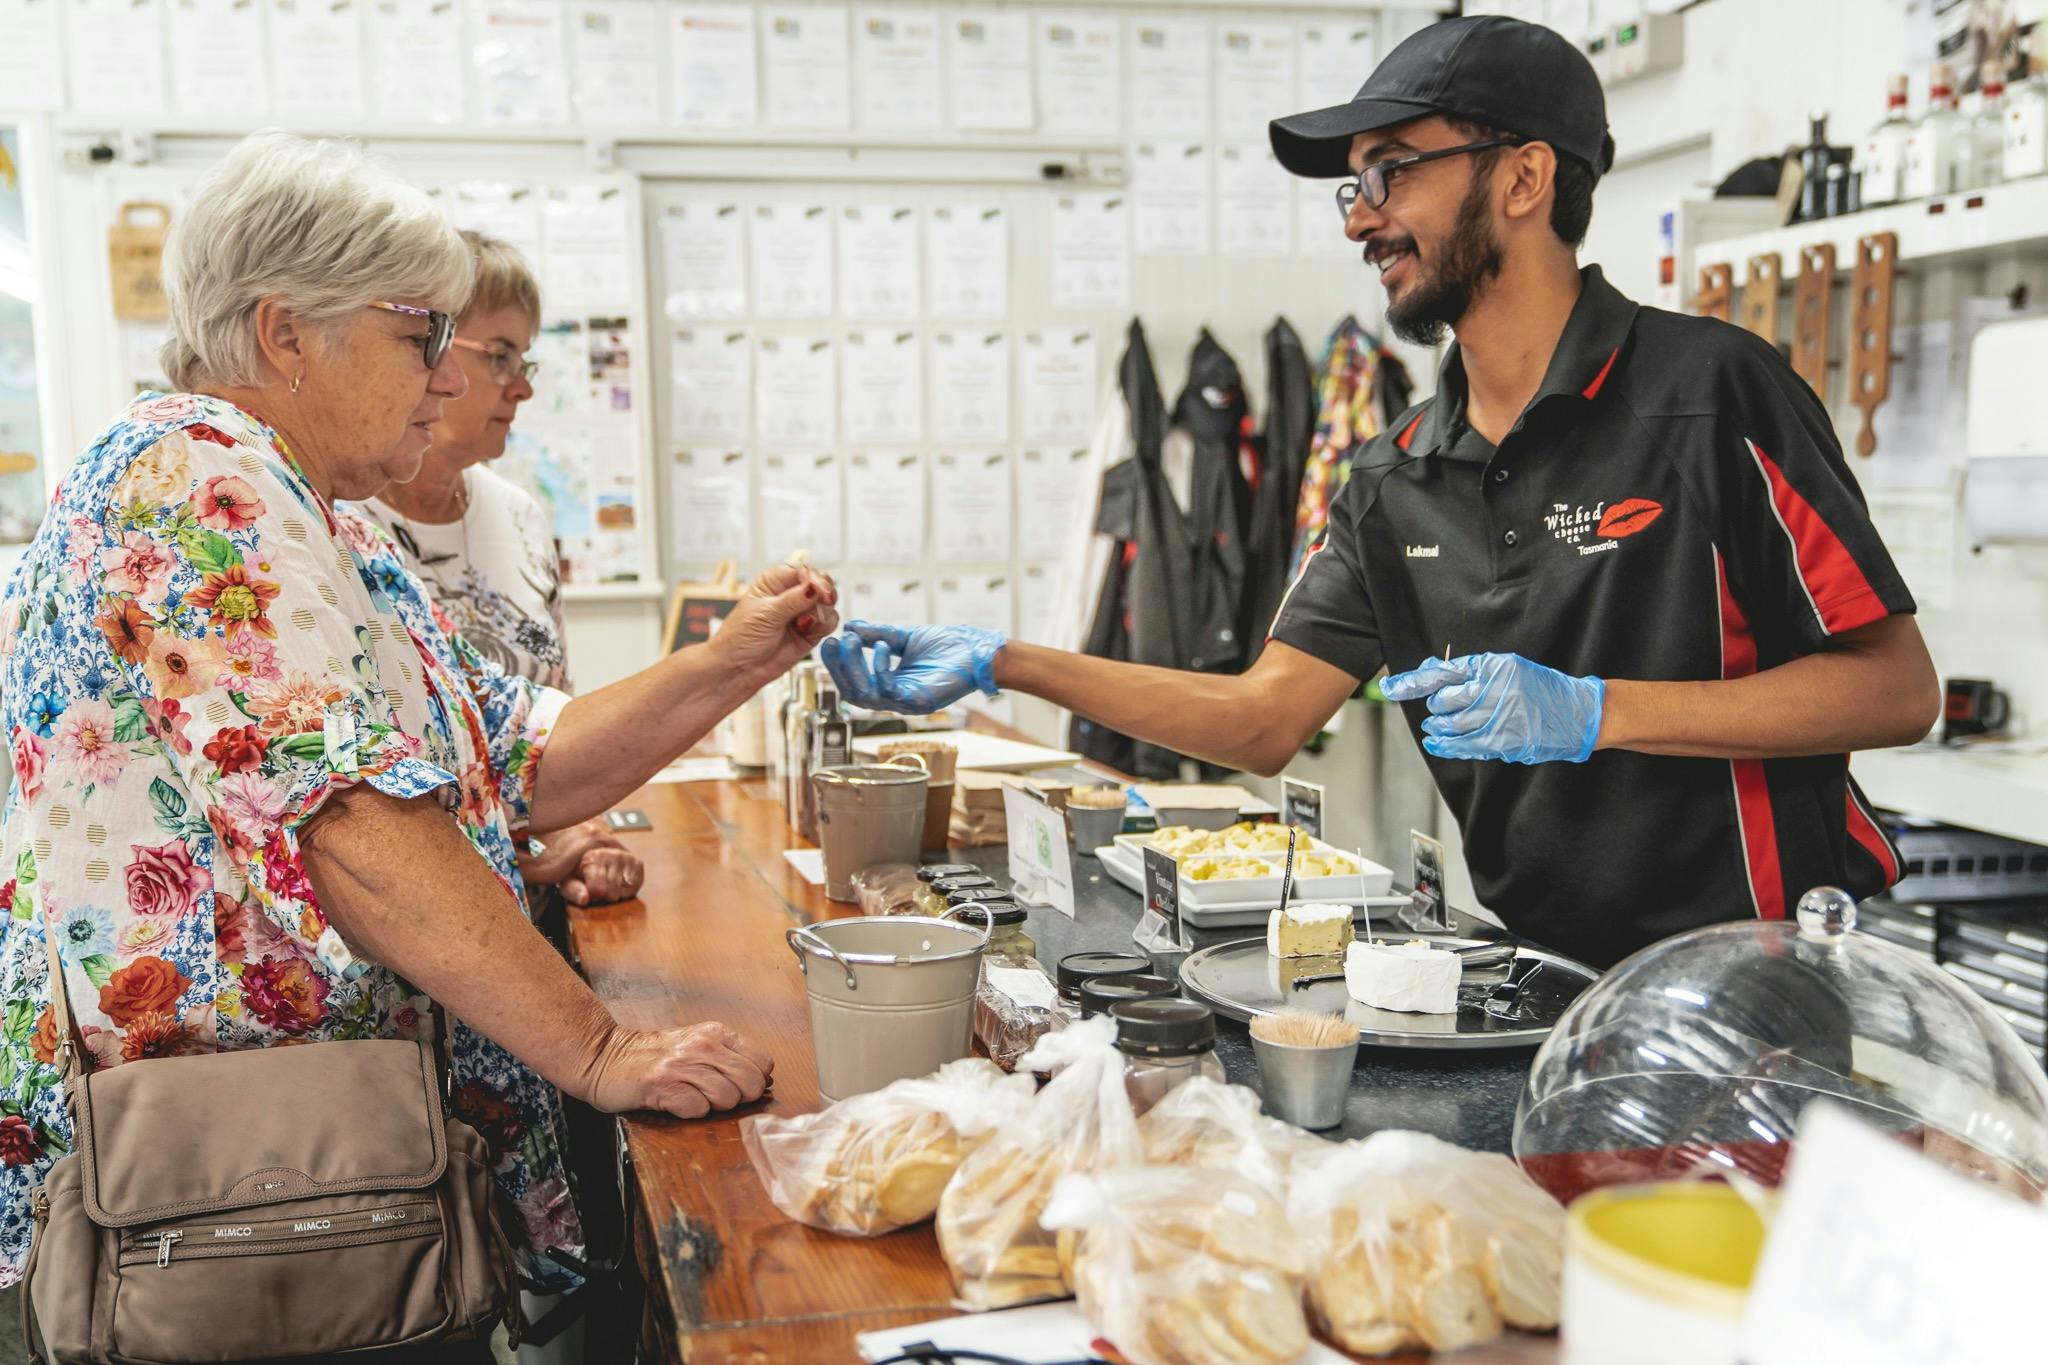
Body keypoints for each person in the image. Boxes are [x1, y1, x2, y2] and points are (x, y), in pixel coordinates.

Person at [822, 15, 1941, 971]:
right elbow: (1259, 720)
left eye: (1391, 170)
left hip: (1757, 971)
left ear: (1521, 175)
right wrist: (1000, 661)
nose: (1359, 216)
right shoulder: (1392, 475)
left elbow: (1893, 691)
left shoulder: (1707, 394)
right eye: (1353, 186)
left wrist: (1595, 712)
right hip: (1538, 977)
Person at [0, 133, 837, 1308]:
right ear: (285, 331)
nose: (448, 377)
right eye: (420, 335)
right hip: (218, 1196)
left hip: (305, 1177)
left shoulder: (335, 518)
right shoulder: (194, 476)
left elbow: (520, 760)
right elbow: (351, 827)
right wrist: (602, 1049)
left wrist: (734, 660)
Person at [356, 230, 639, 910]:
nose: (523, 389)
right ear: (429, 346)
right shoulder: (347, 525)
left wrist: (587, 837)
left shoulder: (520, 516)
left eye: (526, 359)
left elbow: (555, 718)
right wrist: (528, 851)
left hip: (535, 921)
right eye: (502, 355)